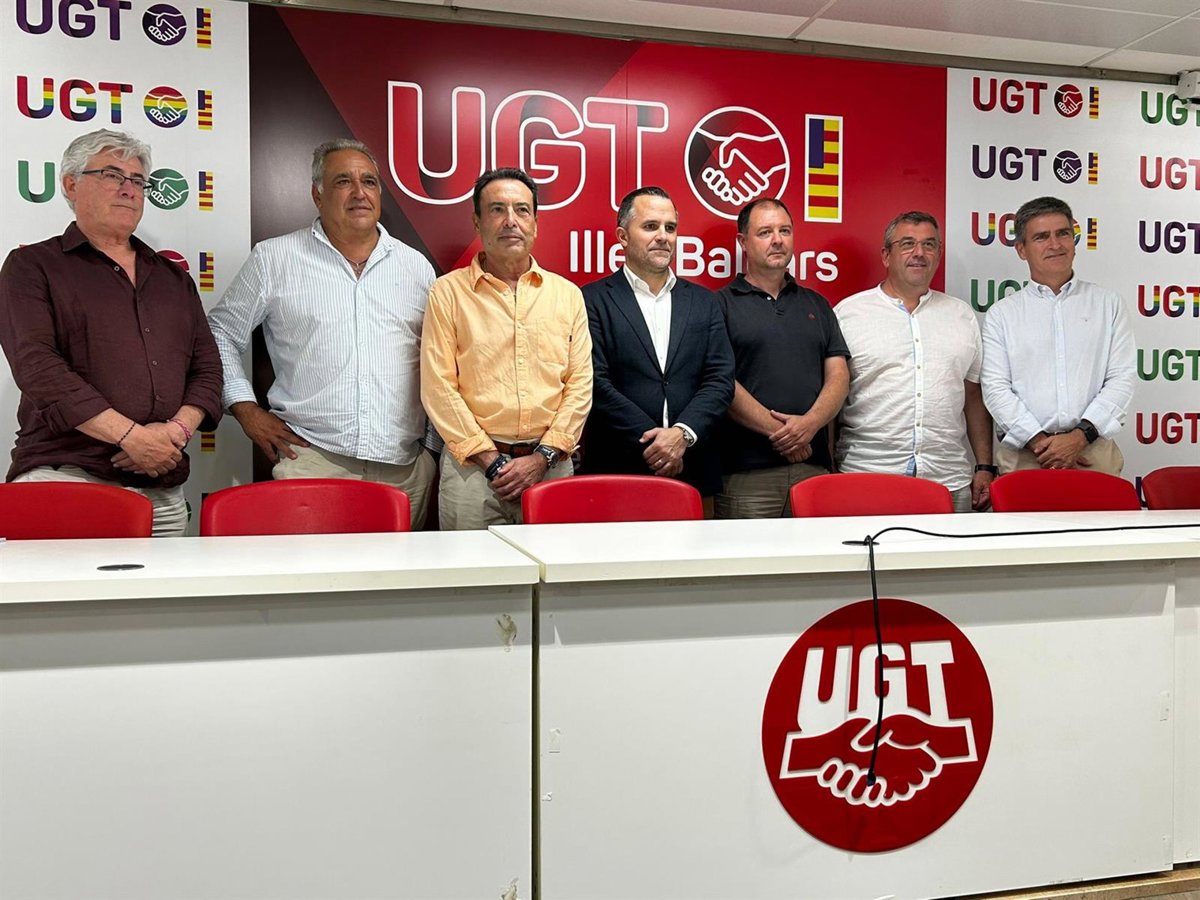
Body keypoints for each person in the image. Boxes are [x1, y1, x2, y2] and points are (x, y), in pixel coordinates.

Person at [0, 128, 222, 536]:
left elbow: (207, 369)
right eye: (111, 175)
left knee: (165, 582)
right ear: (71, 185)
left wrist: (174, 433)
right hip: (67, 478)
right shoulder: (32, 266)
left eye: (137, 180)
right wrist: (131, 437)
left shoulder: (174, 278)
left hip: (162, 488)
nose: (128, 189)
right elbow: (38, 367)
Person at [207, 139, 437, 529]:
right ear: (317, 195)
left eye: (369, 181)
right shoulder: (275, 258)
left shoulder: (416, 268)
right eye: (343, 181)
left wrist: (429, 451)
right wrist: (244, 408)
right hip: (312, 460)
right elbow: (220, 332)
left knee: (395, 571)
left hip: (405, 469)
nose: (359, 192)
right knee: (314, 569)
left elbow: (438, 359)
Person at [420, 168, 592, 529]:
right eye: (497, 209)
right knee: (471, 566)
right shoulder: (447, 293)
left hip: (551, 469)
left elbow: (579, 385)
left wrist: (542, 458)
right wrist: (491, 461)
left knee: (553, 566)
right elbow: (438, 387)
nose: (510, 220)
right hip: (472, 475)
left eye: (522, 210)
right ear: (477, 222)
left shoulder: (567, 295)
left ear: (535, 224)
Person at [580, 187, 733, 503]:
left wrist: (682, 434)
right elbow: (594, 382)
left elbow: (719, 380)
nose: (663, 236)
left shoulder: (705, 302)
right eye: (650, 226)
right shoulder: (590, 299)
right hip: (616, 473)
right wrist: (657, 444)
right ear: (623, 236)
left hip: (693, 471)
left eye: (670, 228)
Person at [835, 211, 995, 511]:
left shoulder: (961, 316)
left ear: (938, 254)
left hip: (948, 480)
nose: (919, 253)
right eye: (907, 243)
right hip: (867, 477)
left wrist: (985, 465)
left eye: (929, 244)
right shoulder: (848, 314)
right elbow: (832, 399)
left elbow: (973, 396)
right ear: (886, 255)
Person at [981, 196, 1135, 475]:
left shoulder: (1108, 304)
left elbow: (1121, 378)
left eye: (1063, 233)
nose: (1055, 244)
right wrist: (1041, 444)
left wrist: (1079, 438)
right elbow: (995, 388)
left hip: (1093, 453)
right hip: (1026, 457)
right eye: (1041, 237)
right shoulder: (1001, 315)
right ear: (1021, 250)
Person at [714, 198, 848, 517]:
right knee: (747, 552)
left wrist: (809, 425)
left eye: (784, 231)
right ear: (743, 241)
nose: (777, 240)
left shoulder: (818, 304)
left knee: (816, 552)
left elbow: (839, 376)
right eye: (765, 232)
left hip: (813, 470)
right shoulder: (719, 305)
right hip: (747, 476)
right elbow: (719, 380)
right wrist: (786, 435)